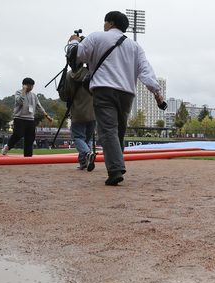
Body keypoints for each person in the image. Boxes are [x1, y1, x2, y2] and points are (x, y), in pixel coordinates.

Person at [67, 11, 166, 186]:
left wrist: (73, 41)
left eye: (105, 23)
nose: (104, 26)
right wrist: (156, 92)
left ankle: (115, 170)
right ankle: (117, 167)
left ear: (111, 23)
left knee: (108, 131)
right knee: (118, 132)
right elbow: (146, 72)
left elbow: (76, 57)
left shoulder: (97, 37)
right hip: (127, 94)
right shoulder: (135, 47)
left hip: (104, 90)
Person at [58, 64, 97, 171]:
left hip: (77, 112)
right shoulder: (92, 72)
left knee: (78, 138)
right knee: (87, 139)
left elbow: (64, 97)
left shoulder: (68, 76)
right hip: (93, 111)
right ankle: (84, 161)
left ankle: (86, 154)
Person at [2, 78, 53, 157]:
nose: (31, 87)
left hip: (30, 119)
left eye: (32, 85)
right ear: (24, 85)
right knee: (18, 134)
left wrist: (47, 116)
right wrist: (24, 91)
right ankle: (8, 146)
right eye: (29, 85)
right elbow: (19, 102)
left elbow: (39, 107)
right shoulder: (18, 92)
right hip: (19, 118)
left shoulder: (34, 95)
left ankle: (28, 156)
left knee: (30, 138)